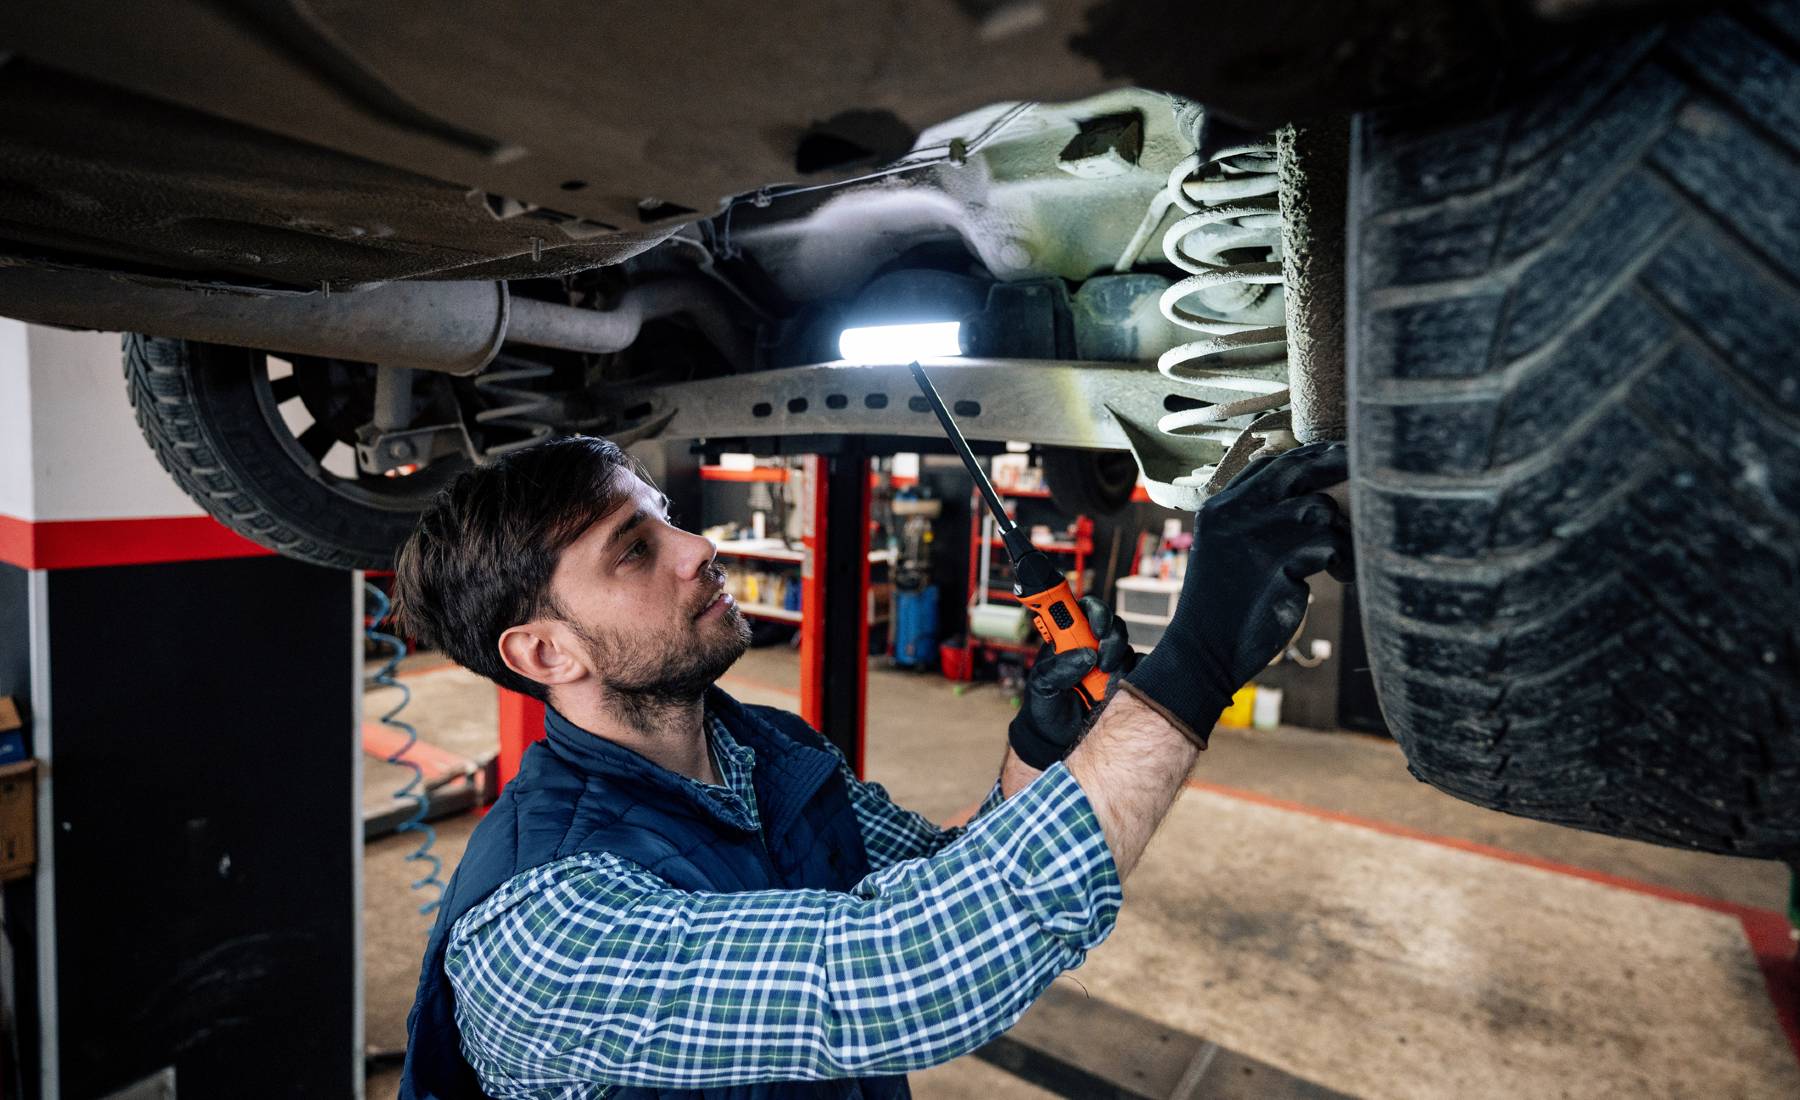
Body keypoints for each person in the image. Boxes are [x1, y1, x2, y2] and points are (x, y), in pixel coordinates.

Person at [392, 435, 1351, 1100]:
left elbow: (940, 881)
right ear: (549, 656)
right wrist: (1195, 663)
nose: (700, 547)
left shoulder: (769, 751)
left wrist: (1039, 752)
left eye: (668, 517)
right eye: (635, 550)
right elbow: (905, 971)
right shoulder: (542, 925)